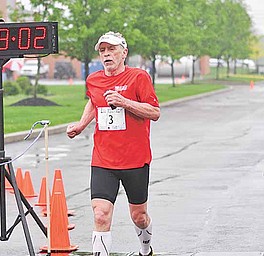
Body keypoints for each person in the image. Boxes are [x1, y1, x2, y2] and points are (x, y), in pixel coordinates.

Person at [66, 31, 160, 256]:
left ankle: (146, 250)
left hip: (135, 159)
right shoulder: (94, 80)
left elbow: (155, 112)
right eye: (102, 51)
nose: (106, 54)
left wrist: (125, 102)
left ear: (124, 53)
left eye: (112, 50)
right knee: (100, 214)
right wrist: (81, 125)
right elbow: (93, 102)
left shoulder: (139, 77)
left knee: (139, 216)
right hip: (103, 159)